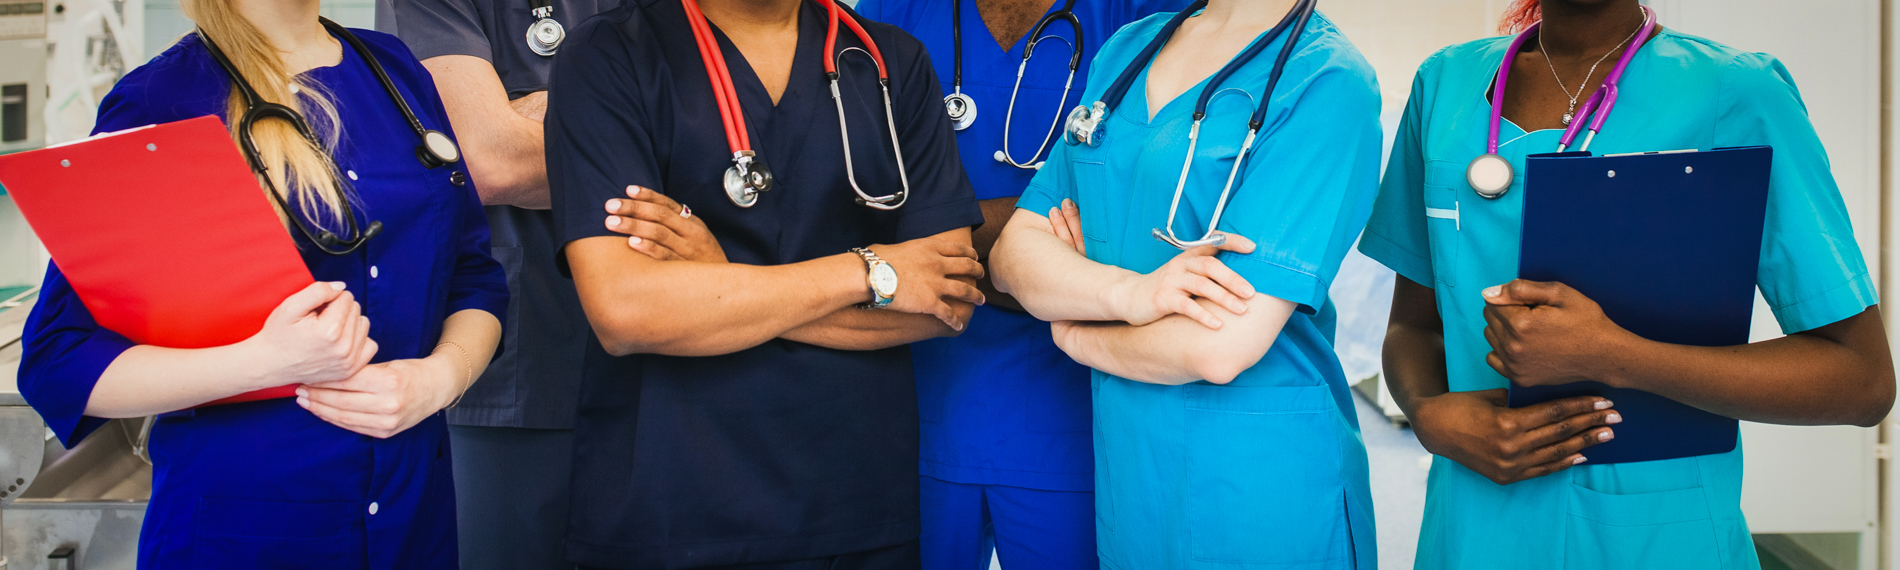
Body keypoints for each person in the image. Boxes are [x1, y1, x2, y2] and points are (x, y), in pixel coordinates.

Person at [1358, 0, 1896, 568]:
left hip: (1653, 531)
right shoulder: (1444, 83)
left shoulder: (1736, 91)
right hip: (1472, 526)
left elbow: (1861, 380)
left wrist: (1616, 356)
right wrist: (1425, 412)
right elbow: (1412, 327)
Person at [16, 0, 508, 566]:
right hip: (249, 529)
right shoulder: (162, 98)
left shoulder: (393, 70)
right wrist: (265, 363)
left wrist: (442, 376)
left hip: (413, 518)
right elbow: (62, 359)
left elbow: (474, 277)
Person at [543, 0, 985, 567]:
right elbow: (626, 310)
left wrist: (719, 280)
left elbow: (944, 297)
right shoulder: (609, 54)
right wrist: (871, 272)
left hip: (855, 507)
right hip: (671, 504)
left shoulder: (888, 60)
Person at [988, 0, 1383, 567]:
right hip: (1131, 467)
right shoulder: (1129, 48)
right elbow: (1012, 255)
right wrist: (1133, 295)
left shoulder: (1327, 80)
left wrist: (1078, 333)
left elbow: (1220, 346)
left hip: (1259, 483)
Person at [841, 0, 1188, 567]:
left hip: (1081, 422)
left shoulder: (1144, 17)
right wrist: (1041, 250)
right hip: (910, 416)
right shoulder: (888, 12)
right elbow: (836, 209)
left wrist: (923, 239)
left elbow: (1144, 225)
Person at [375, 0, 609, 566]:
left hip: (685, 352)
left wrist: (535, 117)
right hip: (521, 363)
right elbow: (489, 161)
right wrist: (627, 127)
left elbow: (725, 149)